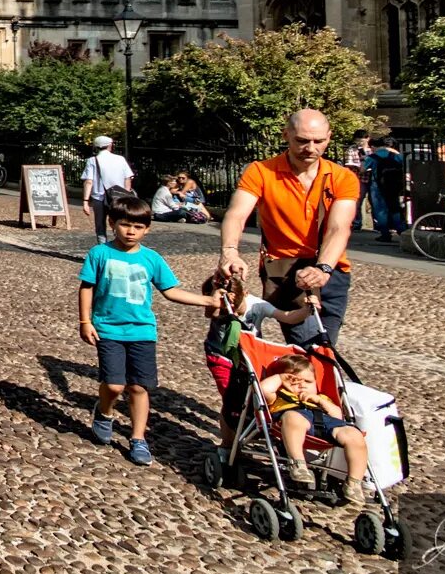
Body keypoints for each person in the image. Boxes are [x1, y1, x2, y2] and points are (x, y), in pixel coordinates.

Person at [77, 192, 217, 466]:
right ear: (111, 223)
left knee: (140, 387)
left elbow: (171, 290)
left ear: (147, 229)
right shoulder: (99, 253)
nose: (131, 231)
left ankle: (138, 438)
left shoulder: (151, 259)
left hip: (142, 331)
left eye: (138, 227)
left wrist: (207, 300)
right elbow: (87, 288)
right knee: (115, 385)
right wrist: (85, 321)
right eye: (125, 224)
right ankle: (104, 412)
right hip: (108, 329)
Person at [217, 108, 360, 349]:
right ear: (286, 135)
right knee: (308, 349)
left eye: (319, 141)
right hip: (286, 272)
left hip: (332, 270)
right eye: (302, 141)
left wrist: (323, 269)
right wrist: (229, 251)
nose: (311, 148)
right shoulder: (261, 172)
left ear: (329, 137)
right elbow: (237, 214)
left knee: (325, 350)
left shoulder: (342, 177)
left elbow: (339, 228)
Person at [200, 272, 316, 449]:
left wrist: (306, 311)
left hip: (248, 358)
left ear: (246, 294)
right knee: (232, 398)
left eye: (236, 307)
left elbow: (287, 317)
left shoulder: (257, 305)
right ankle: (228, 441)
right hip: (221, 358)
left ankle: (256, 425)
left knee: (255, 395)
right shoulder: (219, 306)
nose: (232, 309)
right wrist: (218, 299)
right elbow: (211, 313)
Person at [259, 353, 370, 504]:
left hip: (326, 424)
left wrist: (319, 401)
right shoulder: (278, 396)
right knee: (293, 417)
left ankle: (353, 483)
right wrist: (280, 378)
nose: (302, 384)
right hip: (294, 420)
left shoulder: (322, 398)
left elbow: (337, 417)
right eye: (295, 381)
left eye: (308, 381)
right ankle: (298, 464)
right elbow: (263, 389)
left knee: (354, 434)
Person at [81, 134, 135, 244]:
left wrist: (85, 201)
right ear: (110, 145)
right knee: (119, 222)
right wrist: (126, 194)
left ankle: (102, 248)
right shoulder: (120, 159)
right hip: (118, 197)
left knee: (100, 225)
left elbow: (89, 181)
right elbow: (128, 178)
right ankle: (120, 246)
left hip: (99, 197)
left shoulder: (93, 160)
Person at [363, 136, 407, 243]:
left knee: (380, 210)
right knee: (395, 208)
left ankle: (385, 234)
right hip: (394, 186)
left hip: (377, 186)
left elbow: (363, 169)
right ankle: (402, 231)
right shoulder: (397, 156)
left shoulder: (373, 157)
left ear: (374, 146)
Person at [343, 129, 371, 231]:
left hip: (371, 177)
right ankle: (357, 222)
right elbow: (349, 164)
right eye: (358, 141)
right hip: (358, 177)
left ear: (367, 139)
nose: (359, 143)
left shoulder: (372, 149)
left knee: (375, 202)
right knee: (357, 201)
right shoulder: (352, 149)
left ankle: (379, 225)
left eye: (362, 141)